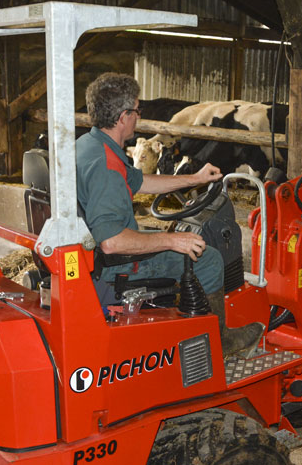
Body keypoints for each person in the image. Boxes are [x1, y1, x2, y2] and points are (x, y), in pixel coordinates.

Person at [76, 72, 262, 354]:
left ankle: (190, 320)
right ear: (124, 115)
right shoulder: (106, 166)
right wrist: (173, 241)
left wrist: (195, 179)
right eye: (137, 111)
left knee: (174, 239)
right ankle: (220, 342)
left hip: (98, 253)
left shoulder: (90, 146)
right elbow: (112, 241)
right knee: (208, 258)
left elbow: (140, 182)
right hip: (117, 264)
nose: (138, 117)